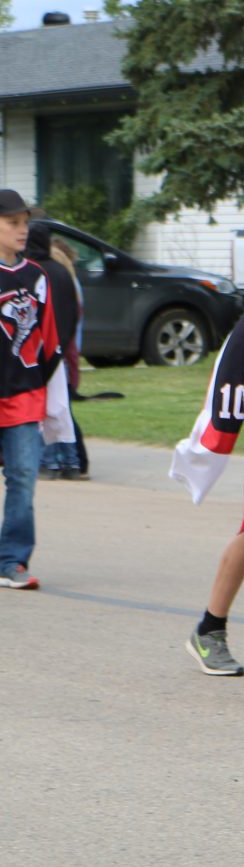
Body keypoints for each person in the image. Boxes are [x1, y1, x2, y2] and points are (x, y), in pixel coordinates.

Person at [0, 187, 72, 590]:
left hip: (24, 396)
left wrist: (52, 398)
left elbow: (48, 341)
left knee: (24, 474)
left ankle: (12, 561)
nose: (22, 230)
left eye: (25, 223)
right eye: (13, 223)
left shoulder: (36, 277)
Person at [26, 224, 84, 479]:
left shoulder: (32, 272)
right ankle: (70, 462)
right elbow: (74, 312)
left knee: (40, 408)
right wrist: (65, 340)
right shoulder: (62, 271)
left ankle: (49, 462)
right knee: (61, 408)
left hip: (37, 349)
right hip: (59, 347)